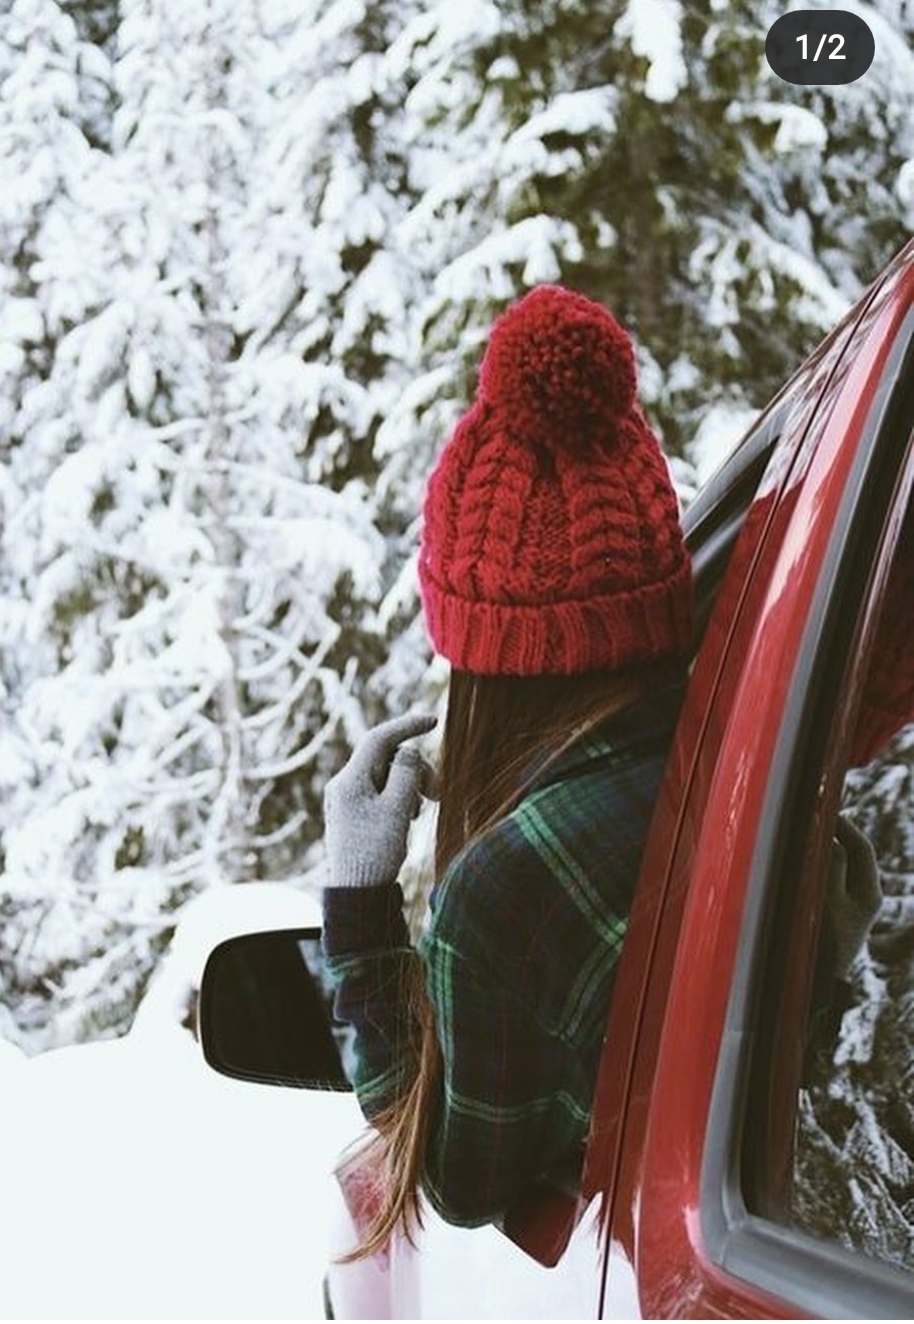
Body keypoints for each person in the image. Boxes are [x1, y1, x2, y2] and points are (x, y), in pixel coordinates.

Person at [319, 284, 695, 1259]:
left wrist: (360, 903)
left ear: (483, 664)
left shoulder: (502, 897)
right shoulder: (714, 747)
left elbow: (458, 1181)